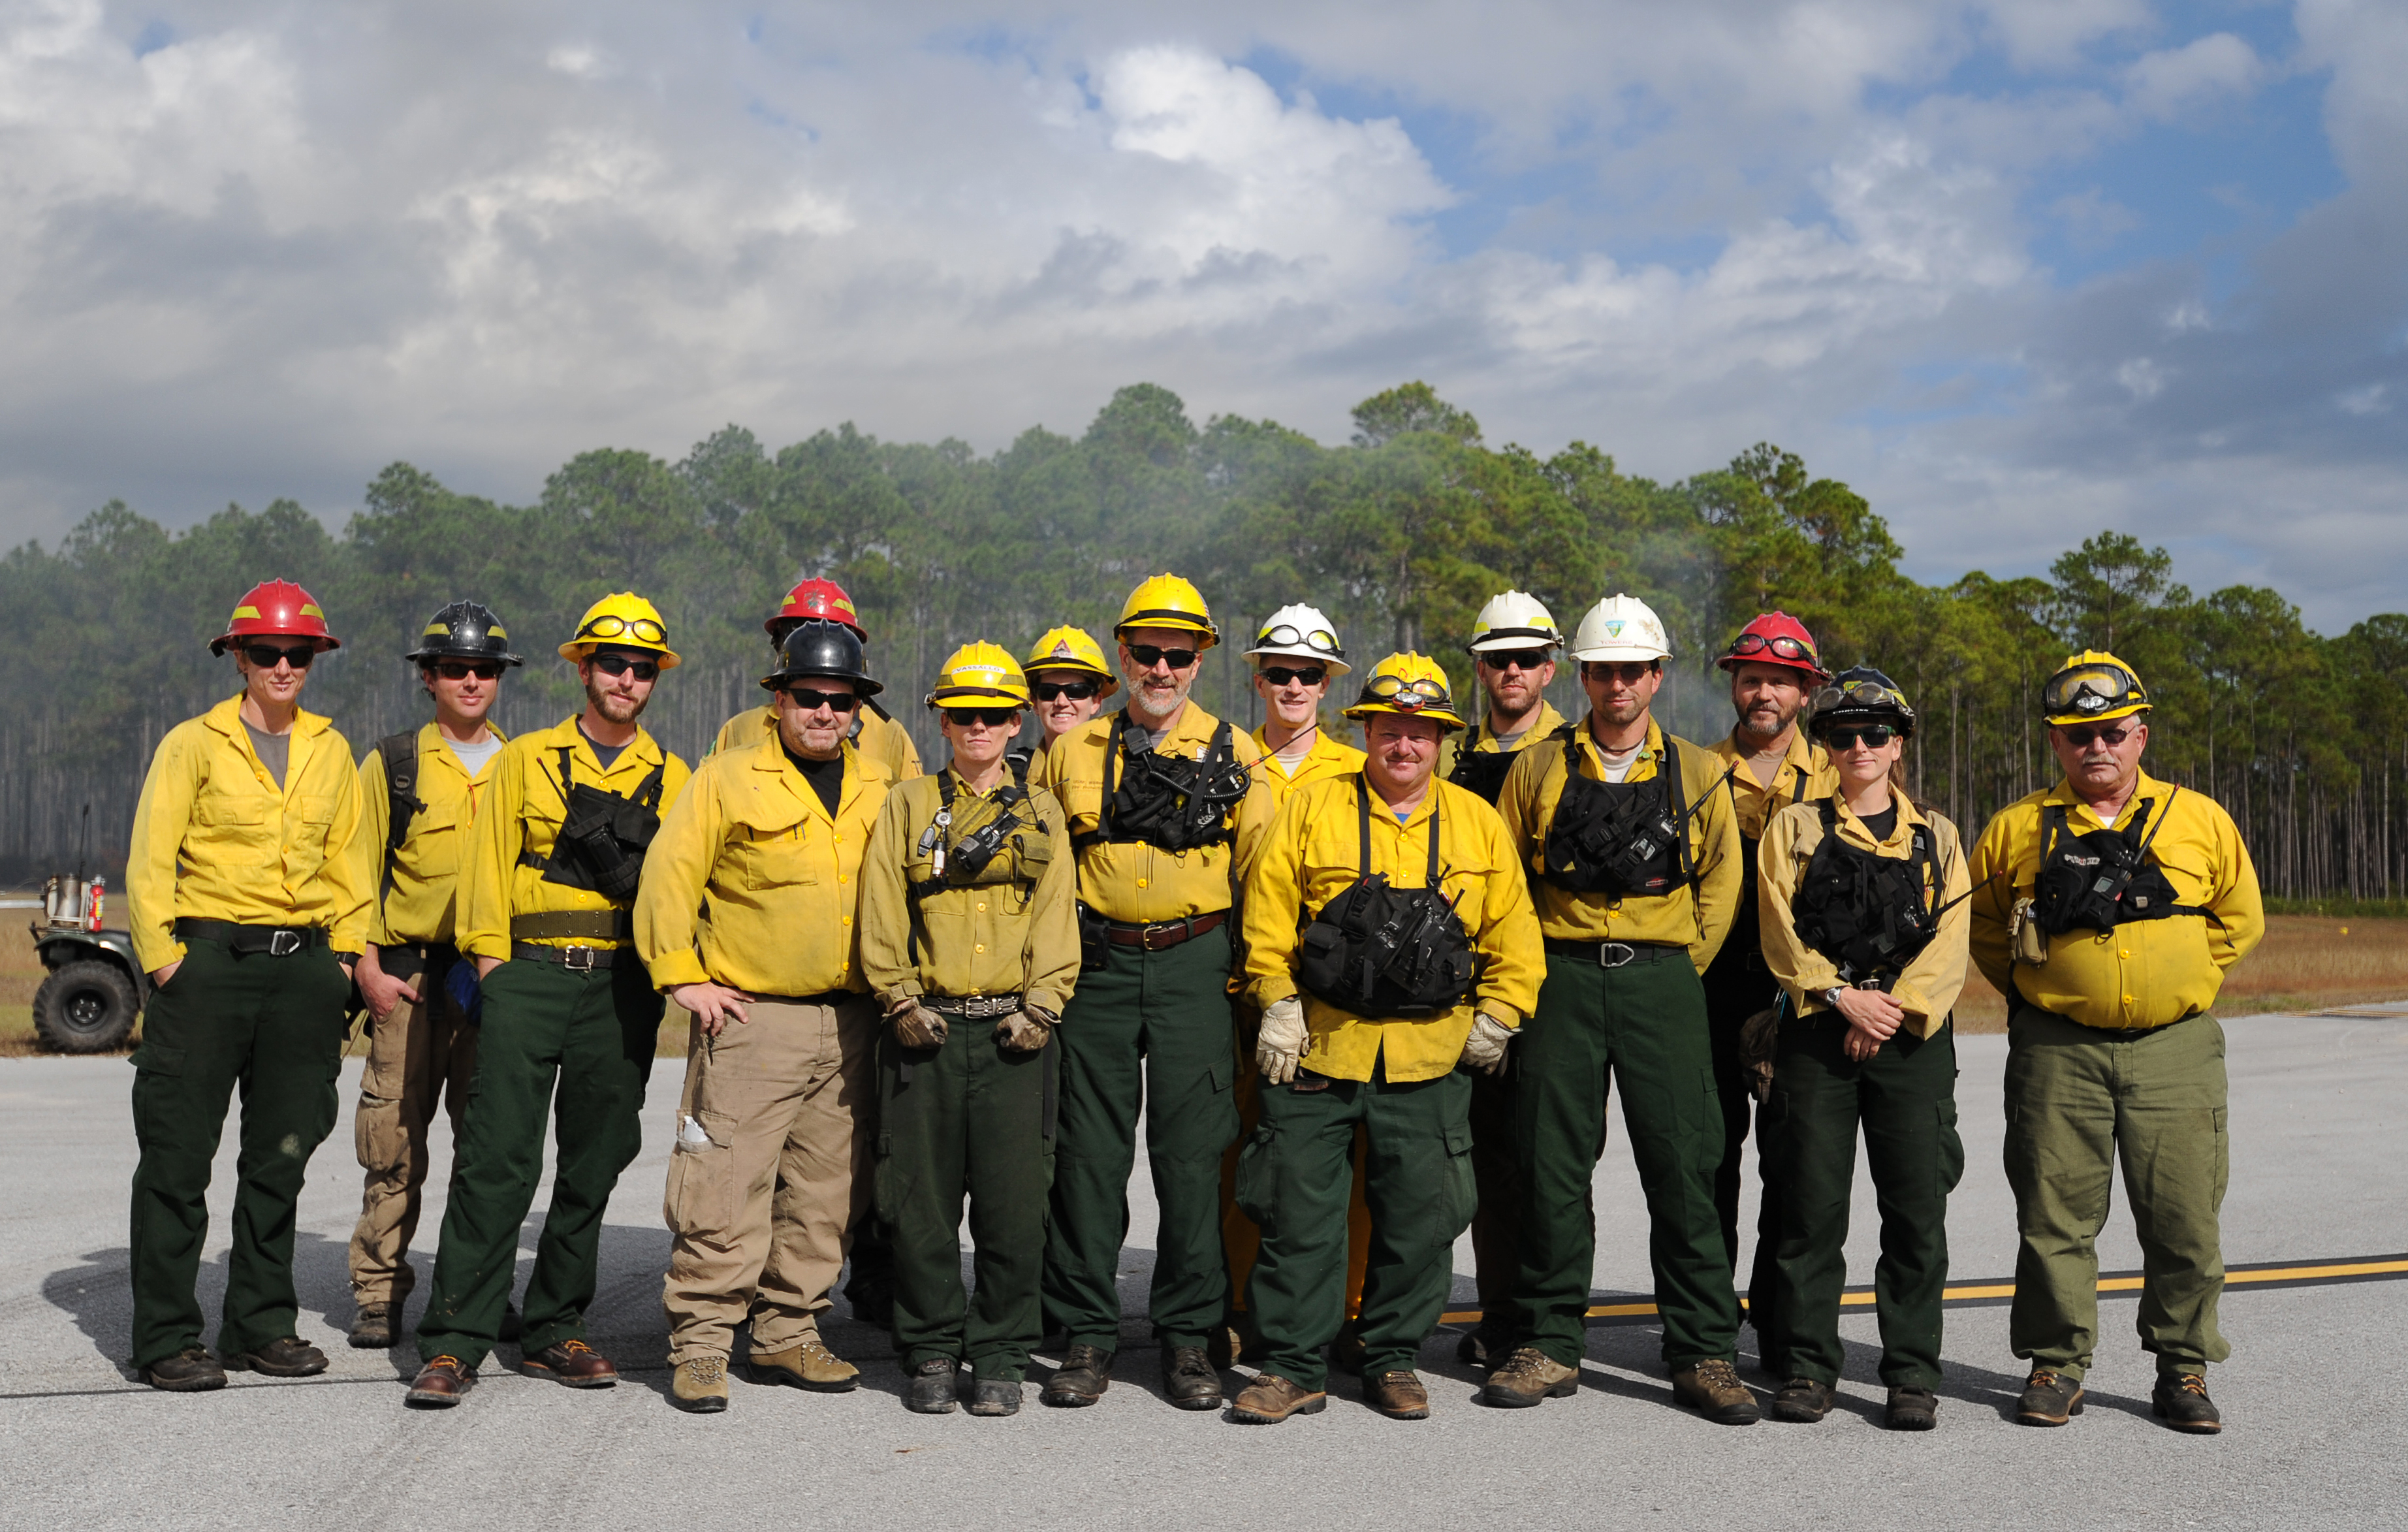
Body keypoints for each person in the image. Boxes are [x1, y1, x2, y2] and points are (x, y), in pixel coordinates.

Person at [1232, 654, 1543, 1424]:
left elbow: (1514, 935)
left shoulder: (1476, 822)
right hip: (1318, 1049)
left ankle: (1392, 1359)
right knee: (1299, 1217)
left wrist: (1501, 1013)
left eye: (1420, 733)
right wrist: (1275, 1002)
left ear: (1441, 741)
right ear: (1366, 731)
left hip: (1430, 1057)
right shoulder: (1311, 811)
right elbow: (1266, 920)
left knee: (1419, 1221)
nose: (1403, 745)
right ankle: (1294, 1368)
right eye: (1388, 729)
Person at [407, 593, 691, 1407]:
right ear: (582, 668)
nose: (627, 679)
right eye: (612, 663)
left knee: (595, 1160)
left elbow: (679, 892)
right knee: (497, 1158)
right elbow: (485, 876)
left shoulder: (676, 780)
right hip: (528, 973)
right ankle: (456, 1338)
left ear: (654, 680)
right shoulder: (525, 761)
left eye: (642, 668)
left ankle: (556, 1328)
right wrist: (497, 972)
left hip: (622, 984)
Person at [1969, 651, 2264, 1434]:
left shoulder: (2200, 819)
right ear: (2054, 744)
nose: (2094, 748)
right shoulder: (2015, 828)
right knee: (2054, 1214)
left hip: (2176, 1049)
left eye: (2109, 732)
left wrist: (2180, 981)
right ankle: (2056, 1364)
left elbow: (2239, 921)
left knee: (2183, 1218)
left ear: (2140, 734)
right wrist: (2046, 993)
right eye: (2075, 736)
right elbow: (1986, 930)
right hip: (2057, 1051)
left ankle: (2184, 1369)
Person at [1486, 592, 1754, 1422]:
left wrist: (1673, 964)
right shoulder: (1536, 767)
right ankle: (1548, 1344)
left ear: (1656, 676)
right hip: (1559, 977)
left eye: (1632, 671)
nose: (1617, 686)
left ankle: (1704, 1351)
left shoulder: (1699, 773)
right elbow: (1508, 883)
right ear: (1583, 676)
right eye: (1602, 672)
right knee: (1551, 1168)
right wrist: (1530, 974)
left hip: (1661, 980)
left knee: (1684, 1166)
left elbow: (1720, 885)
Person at [632, 619, 894, 1413]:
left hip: (851, 1021)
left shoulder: (882, 787)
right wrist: (683, 979)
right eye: (808, 696)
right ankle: (704, 1344)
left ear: (857, 709)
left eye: (839, 700)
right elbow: (669, 879)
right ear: (778, 700)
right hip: (754, 1018)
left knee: (826, 1193)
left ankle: (787, 1332)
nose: (824, 712)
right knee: (724, 1186)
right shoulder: (725, 777)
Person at [1034, 572, 1278, 1411]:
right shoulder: (1072, 752)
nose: (1162, 668)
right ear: (1123, 655)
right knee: (1089, 1162)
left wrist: (1259, 990)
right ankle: (1088, 1337)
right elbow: (1042, 873)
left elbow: (1263, 878)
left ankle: (1187, 1339)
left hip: (1194, 967)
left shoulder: (1237, 753)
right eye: (1147, 652)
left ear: (1202, 658)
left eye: (1179, 654)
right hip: (1098, 969)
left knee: (1189, 1160)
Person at [123, 580, 366, 1392]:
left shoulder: (333, 750)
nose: (284, 665)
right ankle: (166, 1335)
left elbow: (351, 864)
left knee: (281, 1158)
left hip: (303, 969)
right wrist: (166, 964)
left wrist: (339, 963)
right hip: (209, 966)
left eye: (300, 653)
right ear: (238, 656)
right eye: (267, 652)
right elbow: (151, 859)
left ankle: (260, 1323)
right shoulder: (193, 744)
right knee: (177, 1158)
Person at [860, 643, 1077, 1416]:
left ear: (1017, 722)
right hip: (930, 1032)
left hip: (1014, 1031)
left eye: (993, 714)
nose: (979, 726)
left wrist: (1044, 1007)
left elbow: (1056, 916)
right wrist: (898, 999)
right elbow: (883, 905)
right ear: (943, 722)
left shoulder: (1041, 810)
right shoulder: (909, 804)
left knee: (1014, 1207)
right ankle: (928, 1349)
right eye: (964, 715)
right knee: (918, 1204)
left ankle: (999, 1353)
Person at [1754, 668, 1969, 1431]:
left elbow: (1950, 943)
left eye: (1875, 733)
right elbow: (1777, 928)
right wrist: (1842, 996)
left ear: (1898, 742)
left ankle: (1910, 1373)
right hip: (1817, 1031)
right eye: (1842, 735)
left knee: (1915, 1214)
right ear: (1826, 745)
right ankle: (1808, 1367)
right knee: (1810, 1211)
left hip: (1909, 1043)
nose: (1859, 747)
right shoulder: (1794, 828)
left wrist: (1890, 1009)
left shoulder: (1936, 836)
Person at [343, 601, 518, 1351]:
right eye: (456, 668)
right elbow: (353, 868)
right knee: (394, 1144)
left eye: (485, 669)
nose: (471, 680)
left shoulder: (524, 765)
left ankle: (477, 1293)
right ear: (429, 676)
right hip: (409, 978)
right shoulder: (393, 762)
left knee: (489, 1149)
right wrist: (365, 971)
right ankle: (379, 1294)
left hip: (490, 982)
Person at [1222, 604, 1368, 1364]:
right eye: (1279, 673)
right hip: (1233, 984)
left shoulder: (1356, 768)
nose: (1293, 685)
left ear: (1327, 684)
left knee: (1342, 1155)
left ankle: (1346, 1308)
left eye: (1308, 675)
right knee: (1239, 1147)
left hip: (1328, 990)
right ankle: (1240, 1301)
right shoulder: (1225, 759)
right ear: (1257, 679)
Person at [1434, 589, 1568, 1368]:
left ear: (1550, 667)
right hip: (1451, 976)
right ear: (1480, 668)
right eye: (1496, 659)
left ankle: (1543, 1322)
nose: (1510, 671)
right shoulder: (1453, 753)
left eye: (1525, 658)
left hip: (1539, 976)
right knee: (1481, 1155)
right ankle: (1500, 1312)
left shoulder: (1574, 750)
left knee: (1542, 1156)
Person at [1700, 611, 1835, 1360]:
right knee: (1708, 1160)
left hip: (1801, 996)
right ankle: (1707, 1326)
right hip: (1711, 988)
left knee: (1795, 1161)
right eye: (1751, 679)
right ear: (1734, 684)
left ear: (1805, 693)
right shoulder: (1691, 770)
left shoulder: (1838, 774)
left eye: (1780, 682)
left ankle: (1782, 1324)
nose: (1763, 694)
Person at [711, 577, 923, 785]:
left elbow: (912, 810)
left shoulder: (889, 735)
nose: (815, 651)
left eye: (831, 639)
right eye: (799, 638)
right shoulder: (740, 729)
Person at [1021, 626, 1118, 768]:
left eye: (1076, 691)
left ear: (1096, 702)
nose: (1061, 702)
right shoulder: (1011, 777)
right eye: (1048, 691)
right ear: (1034, 702)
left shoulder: (1117, 772)